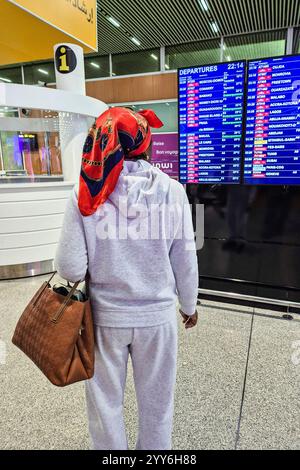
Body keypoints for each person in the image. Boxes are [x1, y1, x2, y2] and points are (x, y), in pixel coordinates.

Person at [54, 107, 199, 450]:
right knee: (158, 406)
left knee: (105, 407)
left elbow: (70, 267)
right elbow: (185, 258)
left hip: (105, 321)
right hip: (158, 319)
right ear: (146, 146)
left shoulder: (84, 194)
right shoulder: (173, 191)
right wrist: (189, 304)